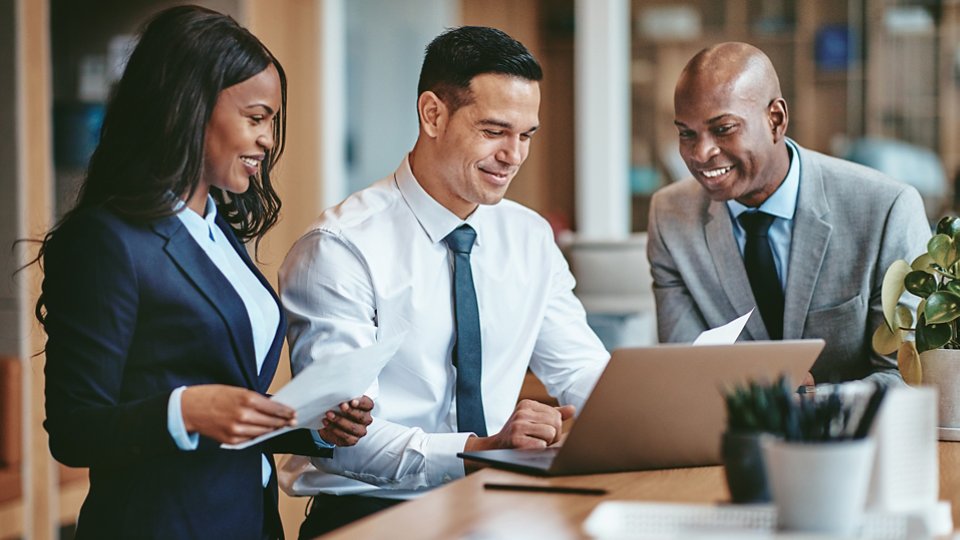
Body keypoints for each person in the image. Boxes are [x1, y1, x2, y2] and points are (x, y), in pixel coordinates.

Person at [36, 6, 372, 539]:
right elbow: (75, 430)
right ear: (191, 108)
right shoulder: (108, 241)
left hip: (249, 522)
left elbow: (230, 404)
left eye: (272, 122)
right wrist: (185, 409)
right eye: (256, 117)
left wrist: (311, 427)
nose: (267, 139)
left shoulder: (218, 232)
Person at [279, 26, 609, 537]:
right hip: (372, 520)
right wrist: (478, 451)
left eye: (526, 135)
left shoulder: (529, 237)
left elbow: (581, 369)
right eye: (495, 131)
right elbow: (344, 440)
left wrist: (642, 419)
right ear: (433, 114)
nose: (514, 155)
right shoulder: (341, 248)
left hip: (499, 511)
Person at [647, 42, 930, 385]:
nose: (700, 152)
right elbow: (686, 371)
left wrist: (810, 405)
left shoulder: (886, 209)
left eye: (723, 129)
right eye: (687, 134)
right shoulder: (670, 216)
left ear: (776, 120)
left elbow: (904, 376)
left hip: (852, 436)